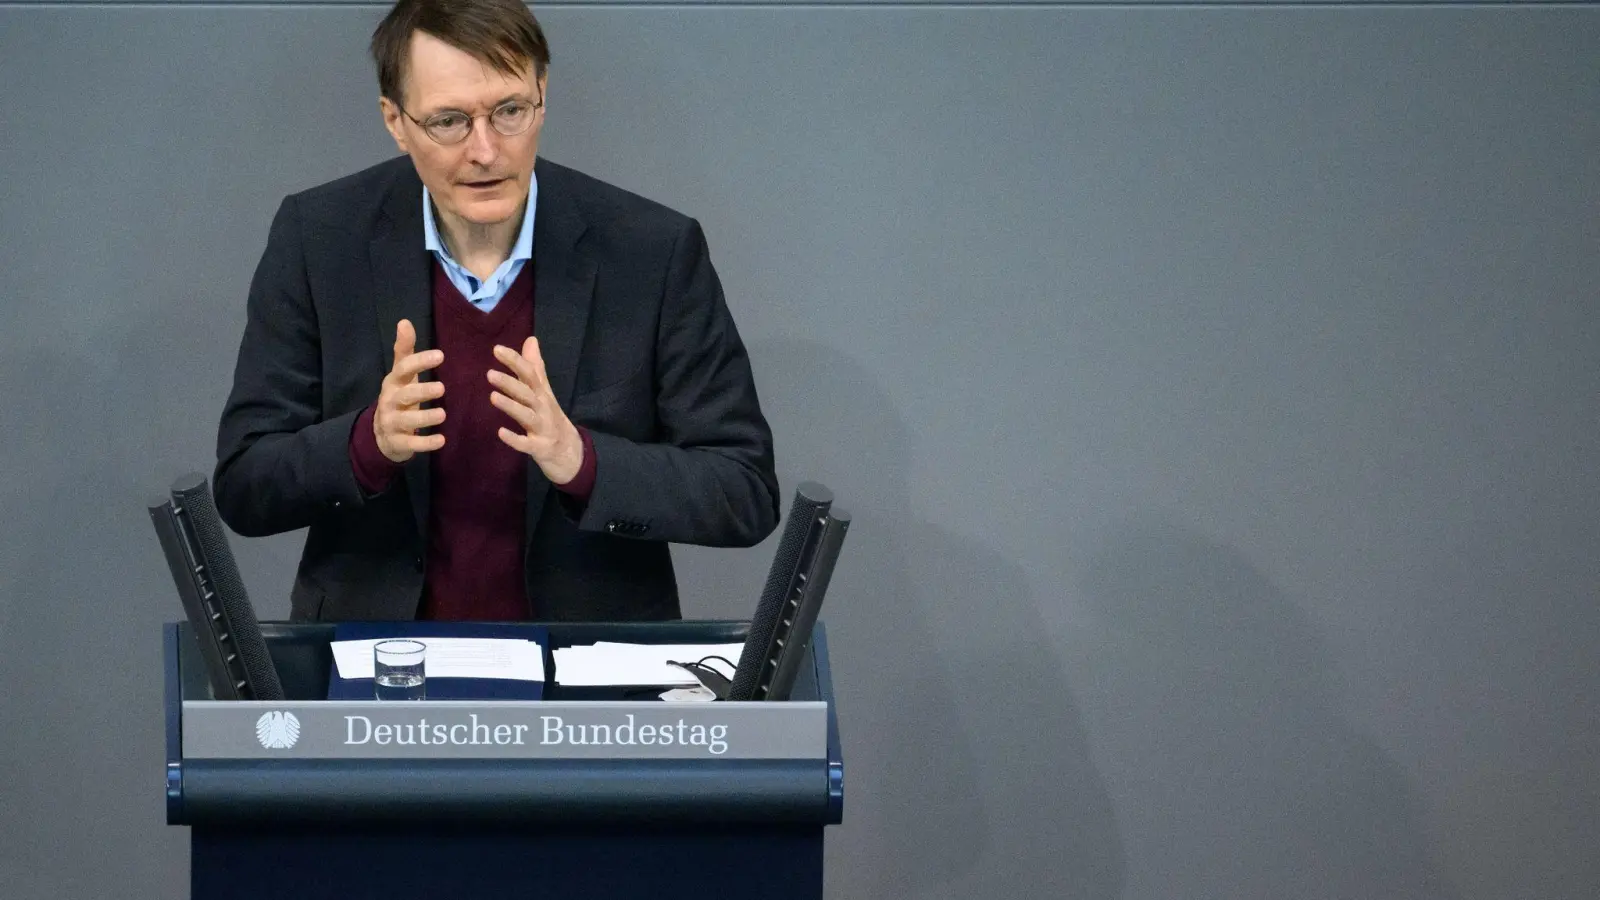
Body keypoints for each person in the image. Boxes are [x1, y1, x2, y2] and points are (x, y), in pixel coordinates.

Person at [213, 0, 779, 623]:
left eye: (509, 111)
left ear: (543, 94)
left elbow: (743, 490)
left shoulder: (652, 250)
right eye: (449, 121)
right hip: (378, 675)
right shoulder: (319, 238)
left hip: (589, 684)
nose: (486, 151)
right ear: (395, 122)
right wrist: (366, 443)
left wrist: (582, 460)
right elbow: (245, 486)